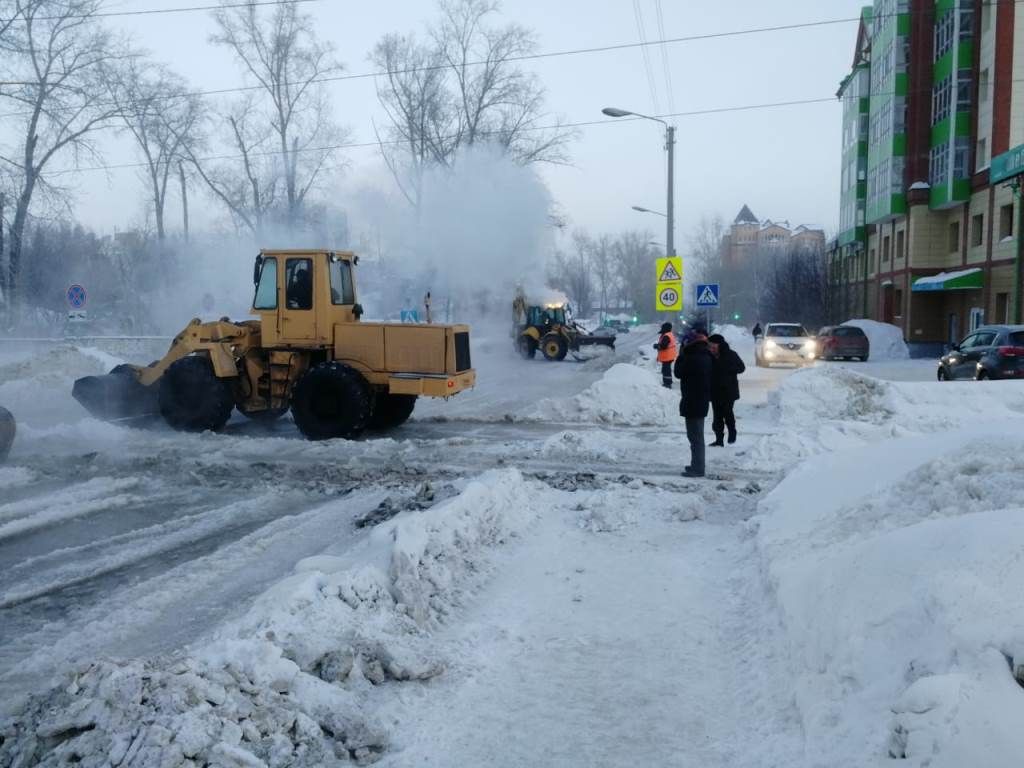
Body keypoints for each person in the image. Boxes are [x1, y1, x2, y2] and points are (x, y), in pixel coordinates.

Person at [673, 330, 713, 478]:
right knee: (697, 436)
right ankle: (696, 464)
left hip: (693, 401)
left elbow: (678, 372)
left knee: (695, 437)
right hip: (700, 400)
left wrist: (681, 356)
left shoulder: (692, 357)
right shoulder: (705, 355)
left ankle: (698, 468)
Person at [707, 333, 746, 446]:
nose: (711, 349)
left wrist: (729, 369)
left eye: (713, 347)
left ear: (720, 345)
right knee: (717, 416)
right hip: (714, 390)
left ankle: (732, 432)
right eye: (710, 347)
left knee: (727, 413)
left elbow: (741, 368)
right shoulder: (709, 356)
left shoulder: (731, 355)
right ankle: (719, 440)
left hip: (728, 390)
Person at [652, 322, 677, 388]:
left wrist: (656, 346)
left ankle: (667, 384)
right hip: (669, 356)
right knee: (666, 369)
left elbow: (663, 346)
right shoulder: (669, 334)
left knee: (666, 370)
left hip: (667, 356)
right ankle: (668, 382)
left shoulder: (666, 336)